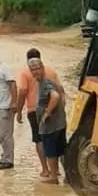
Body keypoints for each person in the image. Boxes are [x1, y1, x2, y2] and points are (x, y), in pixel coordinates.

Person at [15, 47, 62, 178]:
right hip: (53, 109)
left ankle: (45, 170)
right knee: (52, 137)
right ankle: (56, 170)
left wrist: (18, 111)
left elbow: (23, 91)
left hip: (34, 110)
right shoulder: (51, 71)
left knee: (39, 139)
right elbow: (60, 89)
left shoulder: (25, 72)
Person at [32, 56, 67, 184]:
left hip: (50, 125)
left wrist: (47, 112)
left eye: (37, 69)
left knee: (51, 151)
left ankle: (53, 177)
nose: (35, 72)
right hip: (59, 123)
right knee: (61, 150)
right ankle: (63, 174)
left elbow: (56, 96)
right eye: (32, 70)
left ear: (42, 68)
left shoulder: (45, 83)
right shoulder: (50, 82)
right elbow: (62, 94)